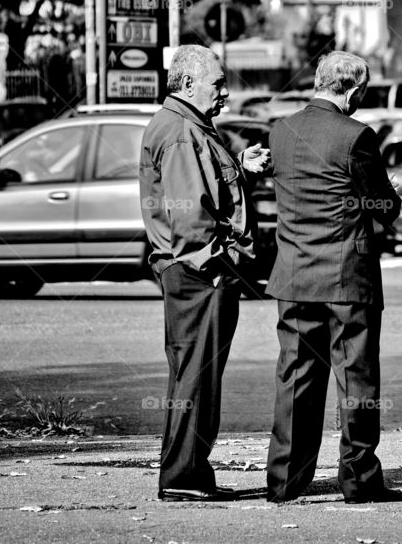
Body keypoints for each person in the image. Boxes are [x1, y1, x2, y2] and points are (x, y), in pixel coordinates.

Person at [265, 51, 402, 504]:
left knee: (296, 377)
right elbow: (382, 207)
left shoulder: (280, 131)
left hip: (293, 275)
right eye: (362, 92)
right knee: (356, 381)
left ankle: (284, 481)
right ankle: (360, 480)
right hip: (346, 277)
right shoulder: (357, 136)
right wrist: (390, 196)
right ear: (353, 90)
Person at [139, 44, 270, 502]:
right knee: (195, 378)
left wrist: (239, 168)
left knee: (194, 376)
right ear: (189, 83)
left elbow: (203, 188)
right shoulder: (179, 132)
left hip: (194, 271)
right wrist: (220, 264)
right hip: (199, 273)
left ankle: (188, 474)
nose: (226, 92)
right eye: (217, 83)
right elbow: (191, 216)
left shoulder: (185, 126)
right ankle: (182, 478)